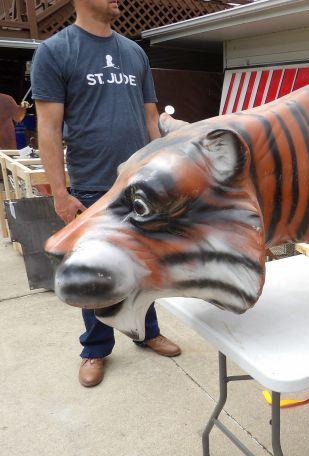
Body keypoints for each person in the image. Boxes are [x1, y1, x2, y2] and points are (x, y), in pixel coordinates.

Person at [31, 0, 181, 388]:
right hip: (93, 184)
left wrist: (161, 172)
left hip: (141, 183)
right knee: (95, 272)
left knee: (146, 265)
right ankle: (96, 347)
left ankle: (147, 332)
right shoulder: (56, 50)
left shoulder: (134, 52)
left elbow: (151, 119)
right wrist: (61, 193)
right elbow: (48, 128)